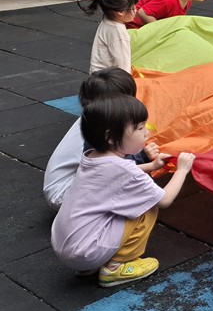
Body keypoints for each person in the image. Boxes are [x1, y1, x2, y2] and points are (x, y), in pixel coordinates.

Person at [50, 95, 194, 287]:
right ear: (110, 137)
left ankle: (92, 264)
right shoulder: (123, 170)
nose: (146, 133)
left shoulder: (92, 157)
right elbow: (164, 200)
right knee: (147, 207)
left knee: (131, 202)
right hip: (86, 251)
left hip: (66, 245)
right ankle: (116, 266)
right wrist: (182, 170)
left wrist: (152, 166)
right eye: (139, 128)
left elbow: (118, 176)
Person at [44, 68, 168, 210]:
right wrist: (142, 157)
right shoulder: (96, 133)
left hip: (71, 185)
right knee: (137, 198)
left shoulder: (94, 120)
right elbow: (110, 171)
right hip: (64, 195)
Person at [80, 0, 139, 73]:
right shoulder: (118, 31)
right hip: (108, 79)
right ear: (120, 12)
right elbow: (123, 67)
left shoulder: (107, 20)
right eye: (133, 8)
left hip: (97, 76)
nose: (136, 10)